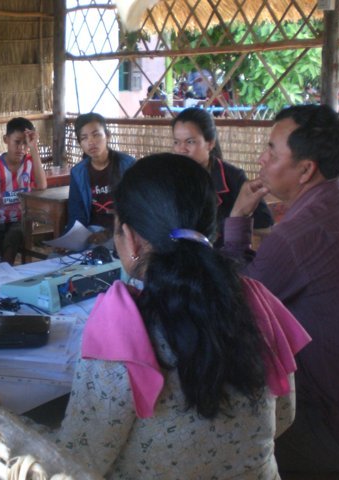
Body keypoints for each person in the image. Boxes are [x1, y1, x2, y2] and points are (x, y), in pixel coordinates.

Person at [50, 154, 310, 478]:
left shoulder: (123, 329)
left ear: (131, 240)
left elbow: (78, 460)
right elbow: (283, 416)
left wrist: (3, 421)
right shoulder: (256, 304)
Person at [222, 104, 339, 473]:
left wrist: (238, 217)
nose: (261, 159)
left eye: (272, 151)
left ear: (306, 170)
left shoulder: (296, 237)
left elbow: (233, 303)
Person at [172, 107, 273, 246]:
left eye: (190, 142)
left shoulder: (233, 178)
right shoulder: (169, 177)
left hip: (222, 254)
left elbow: (265, 224)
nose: (181, 149)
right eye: (176, 142)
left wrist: (234, 219)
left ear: (210, 143)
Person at [0, 117, 47, 264]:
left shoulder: (30, 163)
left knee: (13, 237)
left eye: (25, 143)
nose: (21, 147)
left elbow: (42, 186)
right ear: (6, 139)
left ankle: (5, 267)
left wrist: (33, 148)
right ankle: (2, 268)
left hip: (22, 220)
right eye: (17, 142)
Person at [66, 113, 135, 246]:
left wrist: (109, 233)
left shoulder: (127, 165)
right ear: (80, 143)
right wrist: (70, 240)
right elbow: (76, 213)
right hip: (91, 232)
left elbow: (136, 208)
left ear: (107, 135)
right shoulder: (78, 172)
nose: (91, 142)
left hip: (124, 231)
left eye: (96, 135)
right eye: (84, 138)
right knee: (56, 256)